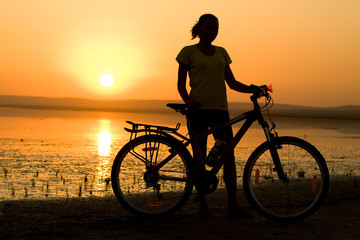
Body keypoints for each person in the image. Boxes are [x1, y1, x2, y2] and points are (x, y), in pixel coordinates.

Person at [176, 13, 262, 218]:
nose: (212, 32)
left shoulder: (222, 53)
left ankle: (233, 206)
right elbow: (180, 85)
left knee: (228, 156)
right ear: (199, 29)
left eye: (216, 29)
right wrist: (189, 101)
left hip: (220, 111)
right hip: (198, 111)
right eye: (208, 28)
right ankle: (202, 204)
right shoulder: (188, 52)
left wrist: (253, 88)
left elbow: (232, 83)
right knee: (200, 157)